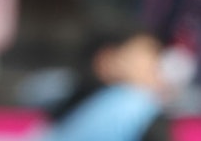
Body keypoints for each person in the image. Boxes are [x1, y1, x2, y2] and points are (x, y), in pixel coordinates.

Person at [40, 22, 172, 141]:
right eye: (147, 53)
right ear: (106, 60)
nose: (157, 65)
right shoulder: (133, 102)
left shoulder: (72, 108)